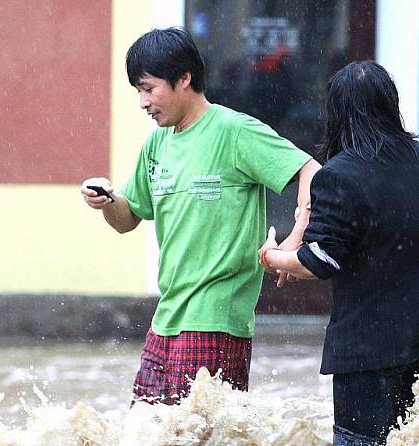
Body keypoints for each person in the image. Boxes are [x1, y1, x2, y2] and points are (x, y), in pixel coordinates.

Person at [81, 27, 321, 404]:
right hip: (167, 318)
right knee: (148, 443)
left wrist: (296, 241)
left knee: (200, 445)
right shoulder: (157, 143)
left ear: (184, 79)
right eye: (138, 92)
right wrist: (107, 200)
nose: (143, 102)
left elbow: (311, 172)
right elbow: (128, 218)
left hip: (216, 320)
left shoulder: (235, 131)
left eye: (149, 89)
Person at [259, 61, 419, 446]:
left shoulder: (340, 175)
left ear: (337, 114)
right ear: (391, 106)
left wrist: (274, 258)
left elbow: (321, 261)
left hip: (370, 347)